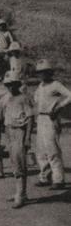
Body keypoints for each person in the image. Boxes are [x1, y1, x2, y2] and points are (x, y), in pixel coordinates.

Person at [0, 70, 35, 208]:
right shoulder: (6, 97)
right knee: (13, 161)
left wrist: (28, 137)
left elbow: (30, 118)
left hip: (20, 131)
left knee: (19, 162)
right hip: (9, 131)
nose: (11, 87)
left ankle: (20, 195)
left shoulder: (24, 98)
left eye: (13, 84)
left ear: (18, 84)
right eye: (8, 85)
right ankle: (20, 192)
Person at [33, 59, 71, 190]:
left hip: (51, 118)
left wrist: (59, 107)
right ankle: (44, 177)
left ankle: (58, 179)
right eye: (39, 72)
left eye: (45, 72)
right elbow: (36, 102)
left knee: (52, 149)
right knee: (41, 150)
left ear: (50, 72)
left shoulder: (56, 85)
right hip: (40, 118)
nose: (42, 75)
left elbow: (70, 95)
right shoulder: (40, 86)